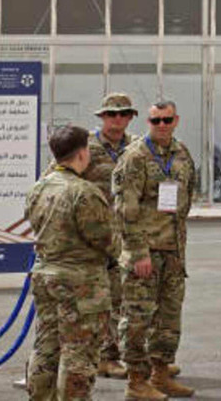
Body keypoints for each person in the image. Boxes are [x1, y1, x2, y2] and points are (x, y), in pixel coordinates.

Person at [112, 100, 198, 400]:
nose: (161, 125)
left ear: (176, 120)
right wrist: (138, 252)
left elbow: (187, 196)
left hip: (173, 251)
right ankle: (136, 381)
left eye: (167, 120)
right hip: (145, 253)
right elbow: (125, 210)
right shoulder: (135, 157)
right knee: (137, 318)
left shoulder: (182, 153)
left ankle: (160, 374)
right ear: (147, 122)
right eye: (155, 120)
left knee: (169, 318)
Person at [26, 125, 119, 401]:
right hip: (80, 284)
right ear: (82, 153)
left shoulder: (39, 187)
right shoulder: (84, 192)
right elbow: (105, 239)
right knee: (79, 353)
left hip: (46, 276)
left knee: (46, 347)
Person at [84, 93, 138, 380]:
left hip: (127, 236)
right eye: (112, 114)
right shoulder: (85, 148)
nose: (118, 119)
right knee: (93, 299)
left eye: (123, 114)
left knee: (123, 298)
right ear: (102, 117)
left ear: (130, 117)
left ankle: (113, 355)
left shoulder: (138, 147)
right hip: (93, 237)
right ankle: (96, 356)